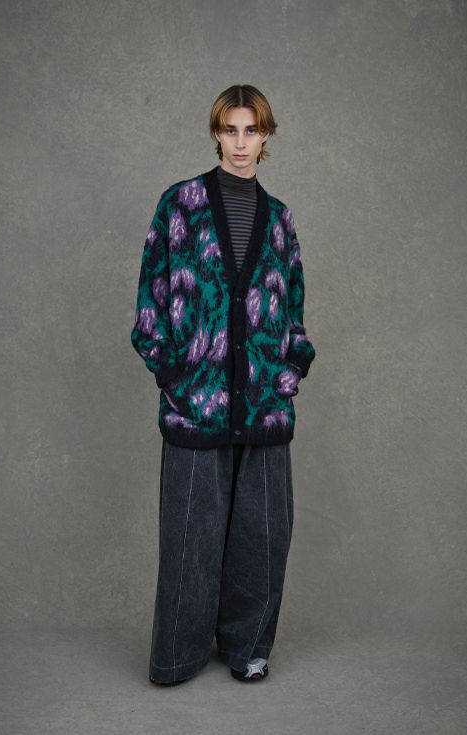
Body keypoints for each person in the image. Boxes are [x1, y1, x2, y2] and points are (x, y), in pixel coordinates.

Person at [130, 84, 317, 685]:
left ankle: (248, 649)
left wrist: (288, 372)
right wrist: (174, 374)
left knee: (263, 538)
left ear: (266, 136)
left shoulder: (279, 219)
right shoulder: (179, 204)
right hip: (195, 404)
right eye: (230, 130)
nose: (240, 144)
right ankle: (178, 656)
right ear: (216, 133)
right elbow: (151, 301)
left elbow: (293, 309)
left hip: (264, 405)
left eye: (251, 131)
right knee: (190, 538)